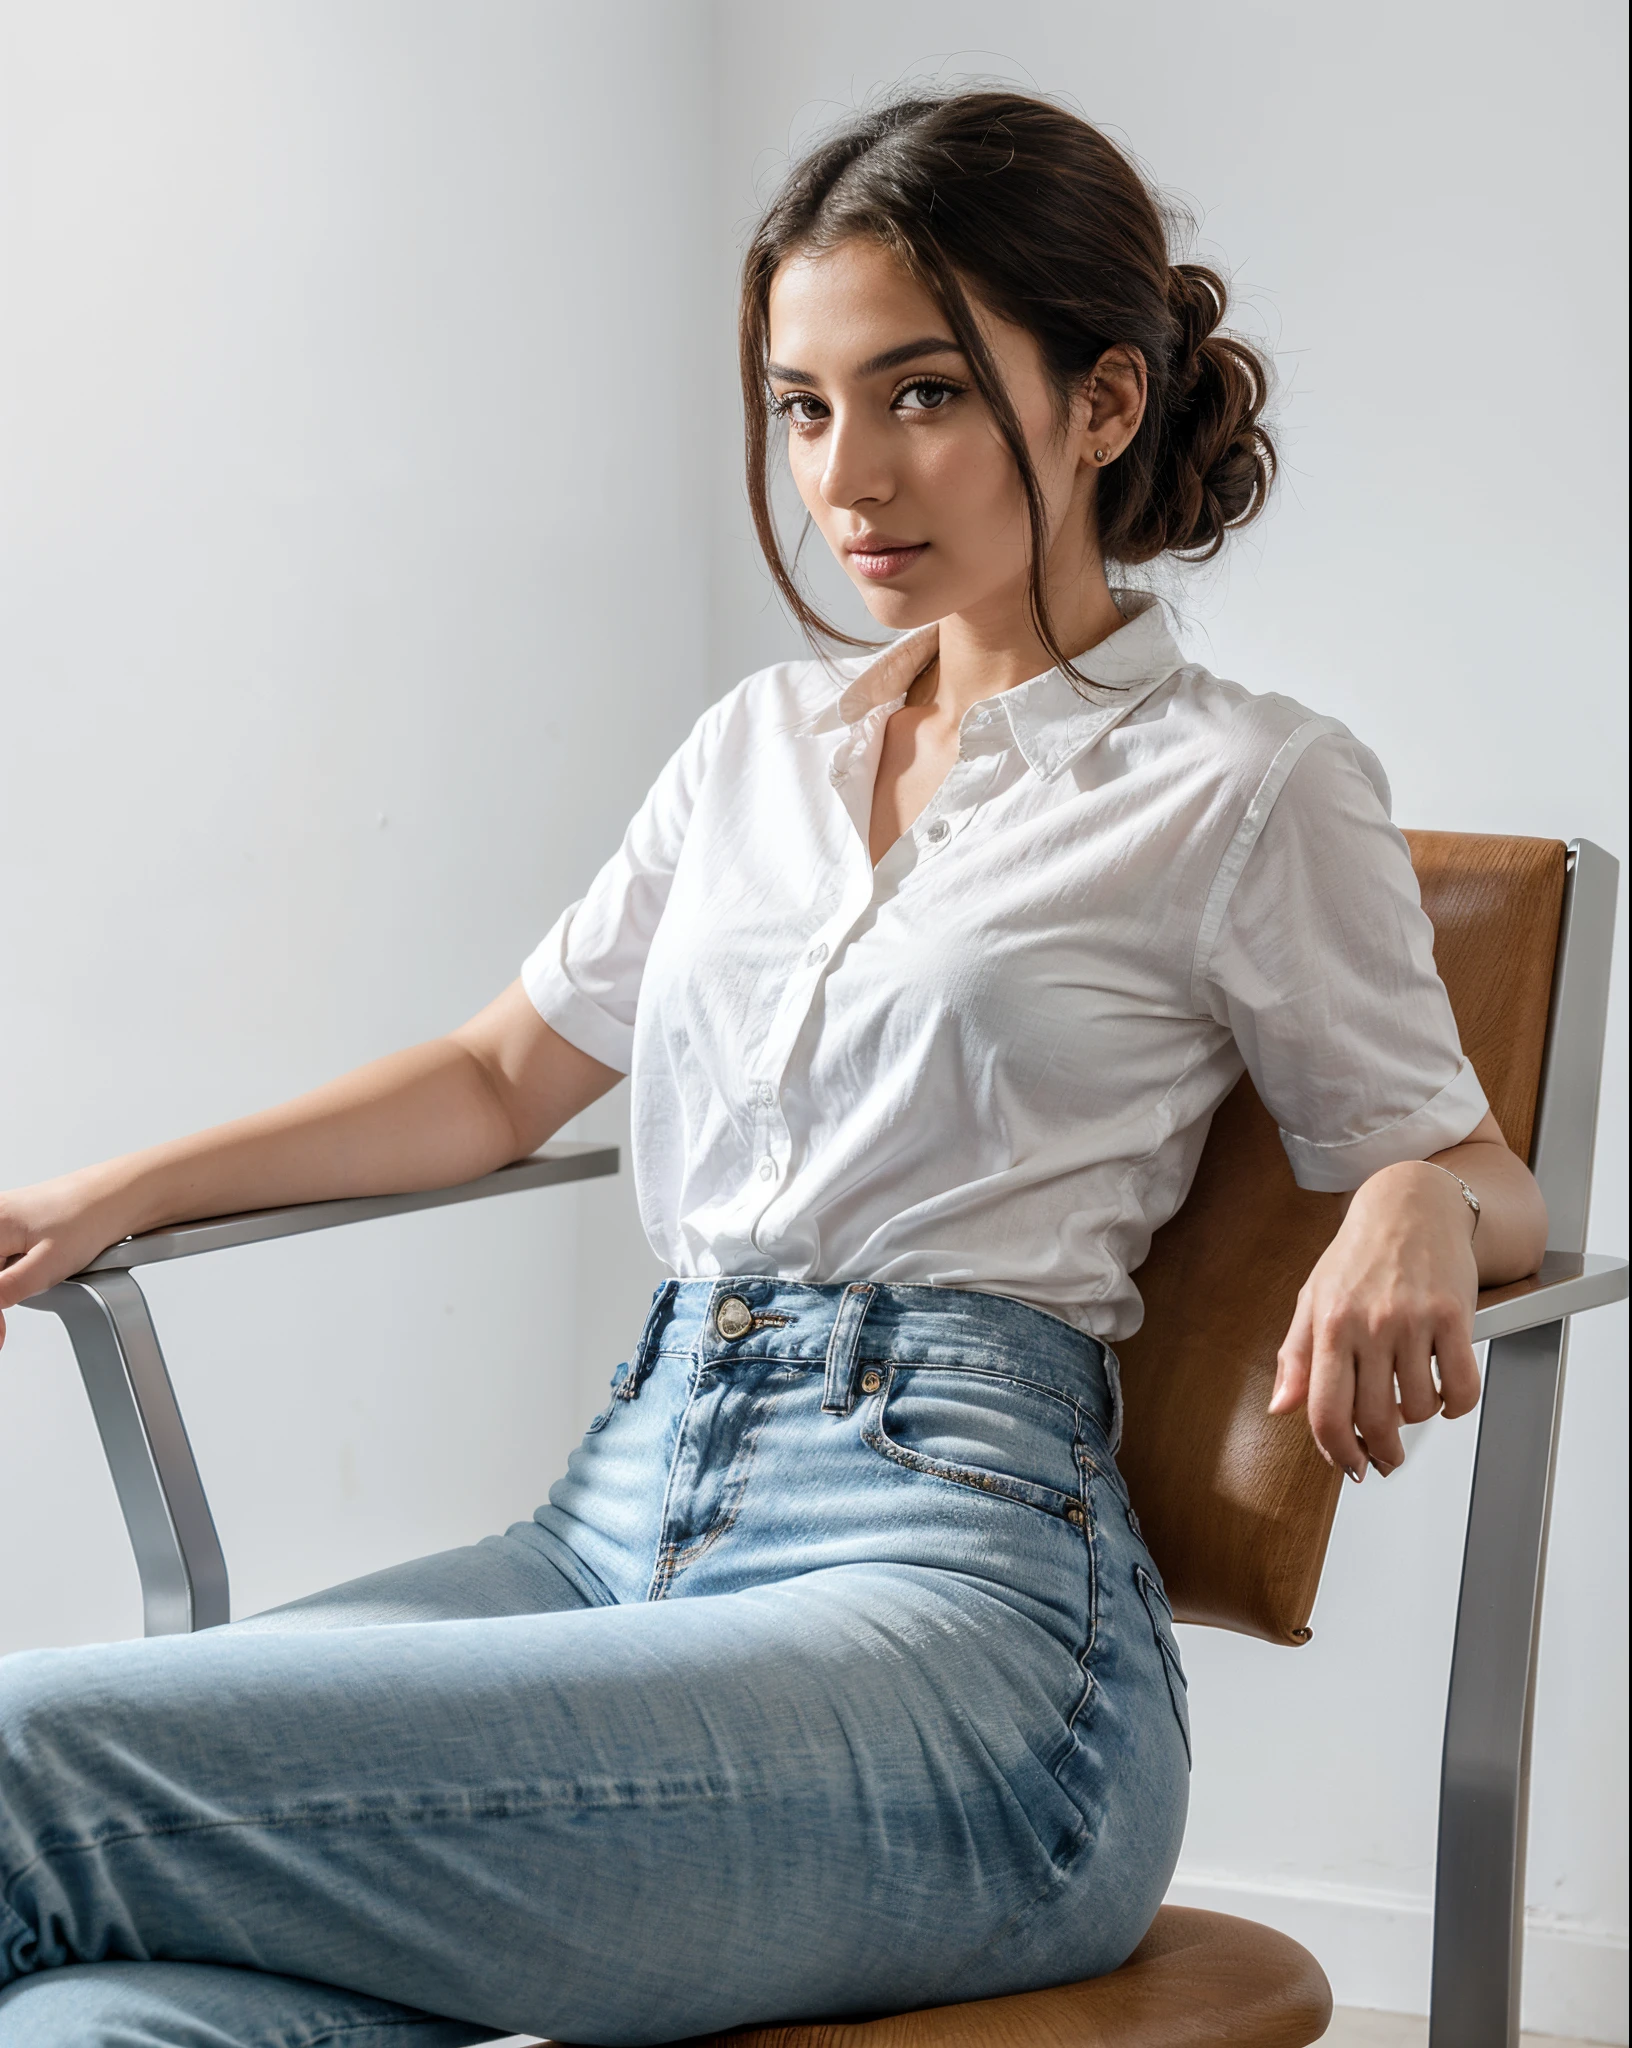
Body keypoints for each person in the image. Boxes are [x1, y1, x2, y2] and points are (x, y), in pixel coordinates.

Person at [0, 89, 1547, 2048]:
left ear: (1099, 403)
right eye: (800, 407)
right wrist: (102, 1194)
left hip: (963, 1638)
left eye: (920, 394)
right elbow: (496, 1075)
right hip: (614, 1530)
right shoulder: (754, 749)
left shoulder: (1246, 782)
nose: (846, 476)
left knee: (28, 1756)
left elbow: (1476, 1170)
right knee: (106, 2021)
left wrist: (1412, 1183)